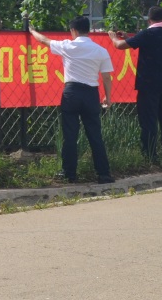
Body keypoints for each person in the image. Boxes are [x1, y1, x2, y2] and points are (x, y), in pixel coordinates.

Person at [29, 16, 116, 185]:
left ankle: (69, 173)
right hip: (91, 93)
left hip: (72, 92)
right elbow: (106, 77)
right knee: (95, 135)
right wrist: (108, 96)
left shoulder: (67, 46)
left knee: (70, 135)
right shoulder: (101, 51)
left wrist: (32, 31)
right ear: (88, 30)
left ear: (73, 30)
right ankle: (104, 174)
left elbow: (44, 40)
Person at [112, 5, 162, 165]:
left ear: (149, 19)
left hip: (148, 83)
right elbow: (147, 43)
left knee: (148, 120)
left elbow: (120, 46)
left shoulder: (148, 34)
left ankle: (150, 154)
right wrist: (130, 37)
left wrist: (112, 37)